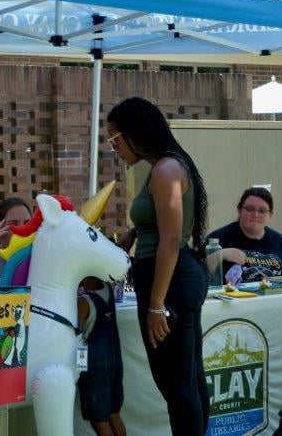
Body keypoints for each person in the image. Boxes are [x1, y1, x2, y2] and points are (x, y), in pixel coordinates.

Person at [106, 97, 210, 436]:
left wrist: (155, 305)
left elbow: (170, 240)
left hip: (169, 281)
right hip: (175, 277)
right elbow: (159, 224)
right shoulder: (165, 167)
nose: (114, 148)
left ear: (134, 133)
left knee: (176, 383)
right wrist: (133, 234)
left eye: (114, 139)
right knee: (188, 378)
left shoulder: (166, 169)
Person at [206, 187, 282, 283]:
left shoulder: (280, 242)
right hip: (234, 298)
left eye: (262, 211)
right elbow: (197, 272)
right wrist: (221, 254)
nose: (255, 214)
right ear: (239, 210)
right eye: (250, 209)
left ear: (270, 214)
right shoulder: (217, 239)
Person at [76, 276, 125, 436]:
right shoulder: (108, 289)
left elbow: (75, 336)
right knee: (114, 415)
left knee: (100, 422)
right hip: (114, 361)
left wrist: (77, 368)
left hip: (94, 368)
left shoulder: (83, 302)